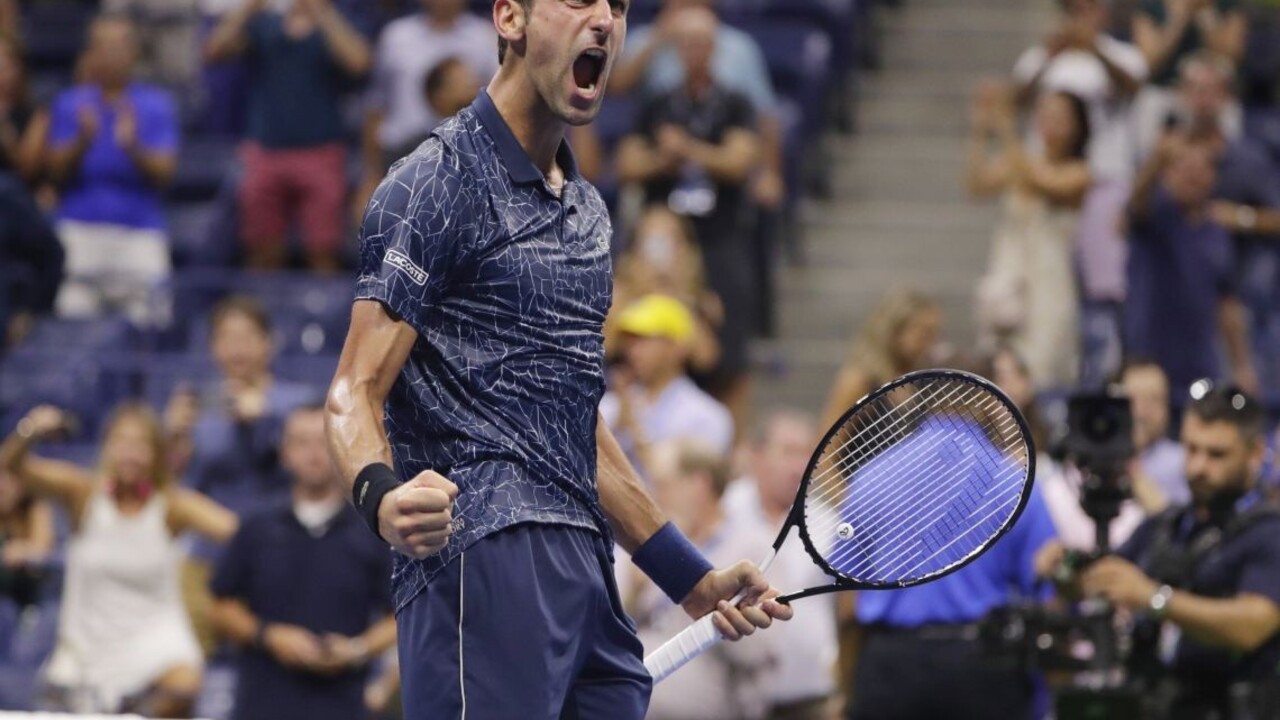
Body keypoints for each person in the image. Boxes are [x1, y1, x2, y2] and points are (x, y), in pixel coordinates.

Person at [324, 0, 791, 715]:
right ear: (510, 20)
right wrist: (382, 497)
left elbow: (577, 425)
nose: (606, 19)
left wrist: (688, 580)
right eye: (579, 0)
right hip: (479, 559)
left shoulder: (590, 215)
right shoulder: (432, 184)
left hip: (587, 578)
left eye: (621, 6)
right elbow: (353, 390)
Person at [0, 403, 237, 717]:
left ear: (156, 453)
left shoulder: (173, 505)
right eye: (122, 442)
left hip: (157, 637)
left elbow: (240, 533)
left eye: (141, 445)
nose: (131, 454)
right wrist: (31, 429)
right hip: (88, 642)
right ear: (107, 447)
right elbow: (12, 467)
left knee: (184, 686)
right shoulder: (82, 492)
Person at [1065, 383, 1280, 719]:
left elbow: (1253, 624)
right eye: (1191, 450)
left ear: (1254, 454)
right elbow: (1102, 580)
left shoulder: (1269, 532)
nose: (1198, 467)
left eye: (1216, 454)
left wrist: (1154, 599)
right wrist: (1065, 567)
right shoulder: (1168, 525)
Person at [844, 415, 1060, 720]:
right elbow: (1048, 595)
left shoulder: (872, 475)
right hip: (986, 669)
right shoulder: (1015, 482)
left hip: (890, 669)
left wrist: (845, 687)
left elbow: (847, 604)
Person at [616, 6, 761, 430]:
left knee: (727, 353)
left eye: (702, 44)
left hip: (718, 236)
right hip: (662, 236)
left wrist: (689, 150)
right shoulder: (660, 101)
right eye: (687, 44)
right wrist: (663, 158)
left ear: (713, 49)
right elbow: (626, 163)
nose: (694, 51)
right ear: (677, 50)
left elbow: (740, 161)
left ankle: (727, 439)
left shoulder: (734, 102)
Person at [210, 405, 396, 720]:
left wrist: (356, 650)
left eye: (323, 442)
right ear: (284, 452)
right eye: (301, 442)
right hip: (261, 703)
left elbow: (399, 616)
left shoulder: (371, 532)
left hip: (342, 705)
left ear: (341, 450)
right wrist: (268, 636)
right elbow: (219, 606)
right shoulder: (257, 527)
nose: (313, 453)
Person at [1012, 0, 1148, 386]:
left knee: (1104, 292)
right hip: (1047, 180)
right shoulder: (1043, 55)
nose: (1085, 14)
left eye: (1092, 7)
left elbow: (1133, 85)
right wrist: (1048, 56)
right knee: (1046, 286)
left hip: (1105, 183)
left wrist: (1096, 49)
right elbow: (1016, 100)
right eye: (1077, 7)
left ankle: (1103, 375)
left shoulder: (1118, 53)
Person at [204, 0, 372, 271]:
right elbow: (213, 51)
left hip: (321, 152)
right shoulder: (265, 23)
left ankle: (324, 312)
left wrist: (320, 11)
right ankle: (262, 310)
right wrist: (249, 7)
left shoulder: (340, 20)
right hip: (265, 151)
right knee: (261, 250)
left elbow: (359, 61)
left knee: (323, 251)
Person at [617, 439, 776, 720]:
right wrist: (638, 589)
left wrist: (719, 612)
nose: (653, 497)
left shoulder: (750, 549)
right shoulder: (655, 552)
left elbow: (759, 651)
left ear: (699, 485)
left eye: (663, 485)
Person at [46, 14, 179, 326]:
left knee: (153, 322)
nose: (111, 54)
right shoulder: (70, 103)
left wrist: (133, 147)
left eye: (119, 45)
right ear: (90, 52)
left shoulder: (156, 104)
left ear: (134, 52)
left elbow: (166, 173)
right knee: (70, 318)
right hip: (79, 228)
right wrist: (82, 139)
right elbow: (53, 171)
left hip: (139, 230)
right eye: (102, 46)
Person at [968, 82, 1091, 390]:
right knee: (996, 371)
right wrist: (981, 130)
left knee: (1042, 371)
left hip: (1048, 287)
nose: (1049, 124)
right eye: (1044, 115)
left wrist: (1008, 128)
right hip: (1008, 280)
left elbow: (1041, 183)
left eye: (1059, 117)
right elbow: (976, 186)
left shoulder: (1079, 172)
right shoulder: (1019, 158)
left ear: (1078, 126)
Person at [723, 411, 839, 720]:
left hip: (811, 693)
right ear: (756, 456)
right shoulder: (724, 512)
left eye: (805, 453)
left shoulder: (830, 524)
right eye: (788, 452)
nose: (798, 465)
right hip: (733, 695)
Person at [1126, 141, 1256, 399]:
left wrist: (1242, 365)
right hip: (1148, 359)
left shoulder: (1218, 232)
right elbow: (1135, 205)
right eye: (1183, 168)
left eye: (1200, 169)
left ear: (1213, 177)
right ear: (1168, 174)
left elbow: (1226, 303)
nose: (1191, 176)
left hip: (1199, 362)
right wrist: (1156, 161)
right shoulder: (1155, 215)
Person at [600, 293, 734, 473]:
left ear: (676, 347)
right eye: (630, 342)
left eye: (644, 339)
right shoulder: (610, 405)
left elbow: (688, 487)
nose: (634, 351)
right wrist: (617, 426)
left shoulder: (707, 415)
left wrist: (633, 430)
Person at [362, 0, 497, 175]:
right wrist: (371, 172)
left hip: (464, 153)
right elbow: (375, 105)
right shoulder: (396, 36)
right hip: (400, 153)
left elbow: (497, 102)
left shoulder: (484, 37)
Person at [606, 204, 722, 376]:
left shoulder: (700, 300)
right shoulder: (616, 292)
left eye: (668, 242)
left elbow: (705, 359)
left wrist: (676, 294)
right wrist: (635, 291)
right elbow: (604, 347)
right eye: (651, 242)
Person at [1130, 0, 1247, 159]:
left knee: (1228, 115)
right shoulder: (1151, 7)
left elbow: (1230, 58)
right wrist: (1180, 16)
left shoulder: (1227, 5)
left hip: (1213, 92)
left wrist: (1205, 16)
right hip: (1163, 93)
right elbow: (1149, 63)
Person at [820, 289, 942, 429]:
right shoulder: (858, 382)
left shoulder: (921, 383)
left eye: (935, 333)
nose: (932, 343)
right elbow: (830, 448)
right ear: (894, 331)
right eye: (924, 333)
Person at [1124, 359, 1191, 511]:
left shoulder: (1184, 462)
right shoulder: (1087, 461)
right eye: (1132, 400)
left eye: (1154, 400)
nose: (1141, 413)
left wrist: (1136, 478)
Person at [0, 464, 55, 609]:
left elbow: (42, 550)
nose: (2, 487)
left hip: (28, 597)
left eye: (9, 479)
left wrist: (24, 550)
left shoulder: (36, 509)